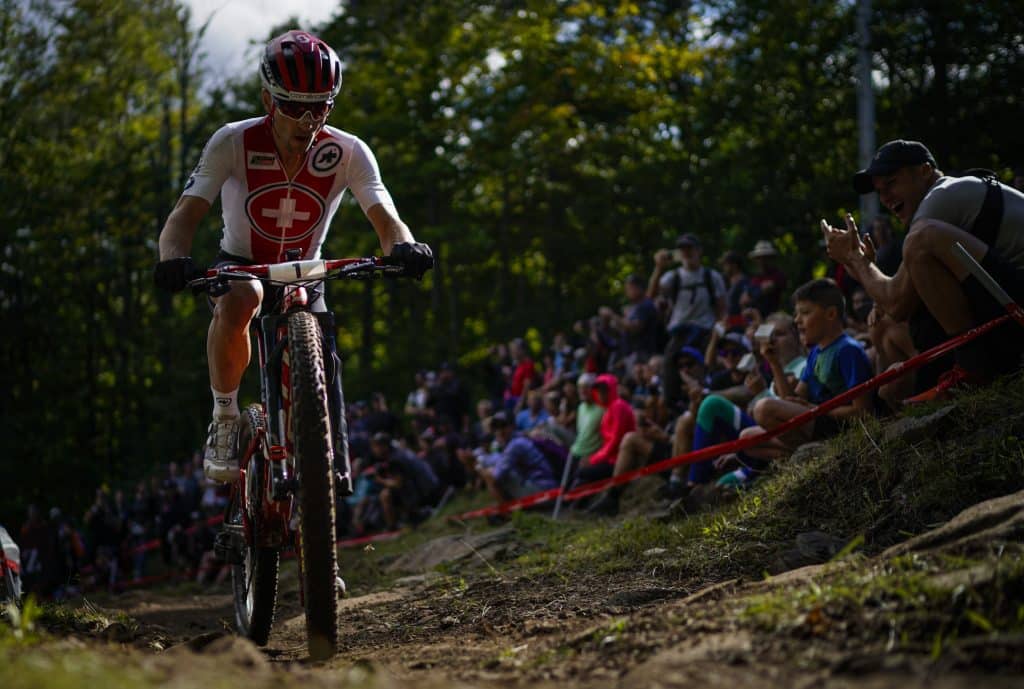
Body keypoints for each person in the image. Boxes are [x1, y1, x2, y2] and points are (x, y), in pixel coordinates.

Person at [153, 30, 434, 482]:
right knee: (242, 296)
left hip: (308, 271)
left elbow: (386, 219)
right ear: (267, 100)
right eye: (294, 107)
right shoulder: (232, 141)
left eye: (320, 106)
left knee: (324, 348)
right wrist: (173, 257)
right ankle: (225, 418)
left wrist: (403, 247)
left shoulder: (347, 150)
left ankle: (329, 468)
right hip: (242, 263)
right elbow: (183, 217)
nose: (307, 121)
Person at [823, 139, 1024, 395]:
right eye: (879, 191)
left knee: (921, 240)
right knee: (884, 329)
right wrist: (862, 266)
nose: (885, 198)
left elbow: (896, 302)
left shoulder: (940, 198)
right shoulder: (946, 198)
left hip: (1015, 304)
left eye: (892, 183)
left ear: (925, 171)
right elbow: (897, 303)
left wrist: (855, 259)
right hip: (1007, 295)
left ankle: (973, 367)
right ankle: (928, 384)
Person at [743, 278, 873, 459]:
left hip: (838, 424)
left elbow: (863, 412)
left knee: (764, 409)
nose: (797, 320)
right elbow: (792, 399)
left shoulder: (847, 350)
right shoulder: (815, 353)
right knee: (747, 438)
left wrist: (817, 409)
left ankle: (817, 449)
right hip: (816, 419)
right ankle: (809, 450)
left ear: (830, 314)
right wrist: (774, 363)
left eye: (804, 313)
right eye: (796, 314)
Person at [648, 233, 727, 411]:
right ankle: (673, 404)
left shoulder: (711, 276)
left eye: (690, 248)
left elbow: (722, 307)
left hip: (705, 328)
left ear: (699, 251)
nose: (686, 253)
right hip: (680, 330)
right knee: (669, 364)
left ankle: (712, 396)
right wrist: (658, 268)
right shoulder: (672, 277)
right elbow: (651, 295)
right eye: (682, 249)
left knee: (709, 364)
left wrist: (721, 327)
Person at [745, 240, 787, 315]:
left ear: (771, 258)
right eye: (759, 258)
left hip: (771, 317)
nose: (762, 261)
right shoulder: (754, 277)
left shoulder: (778, 275)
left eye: (765, 257)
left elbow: (753, 296)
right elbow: (744, 300)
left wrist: (754, 293)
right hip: (754, 319)